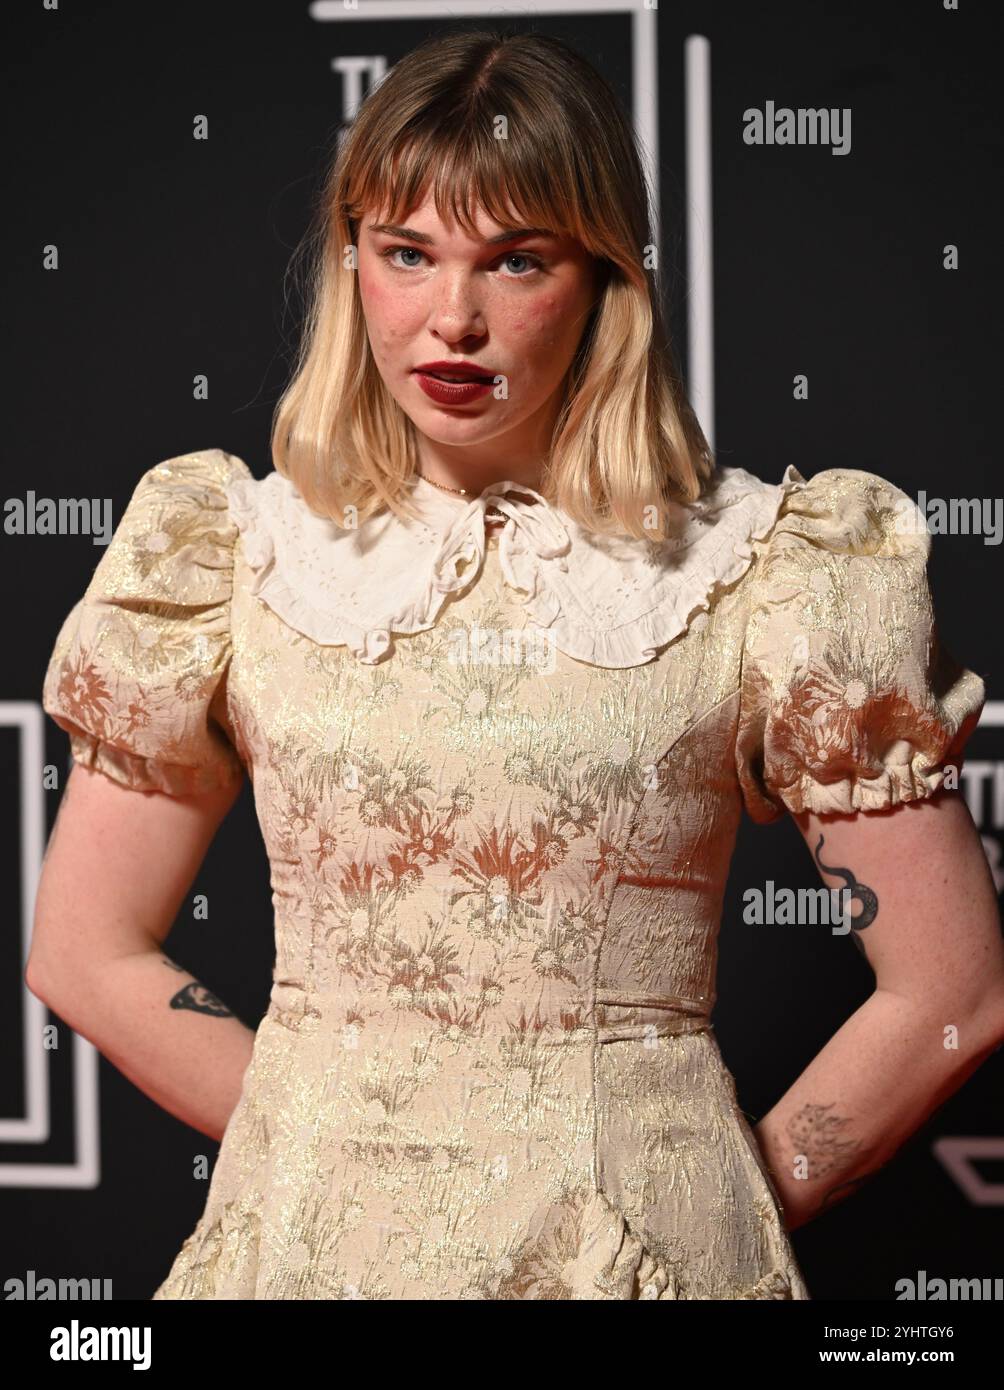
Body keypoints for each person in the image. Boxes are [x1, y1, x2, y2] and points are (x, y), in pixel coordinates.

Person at [29, 29, 1003, 1301]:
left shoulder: (768, 563)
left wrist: (721, 1198)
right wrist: (304, 1140)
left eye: (515, 260)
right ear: (353, 265)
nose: (453, 317)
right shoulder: (232, 552)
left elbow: (954, 990)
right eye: (407, 254)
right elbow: (84, 950)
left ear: (603, 278)